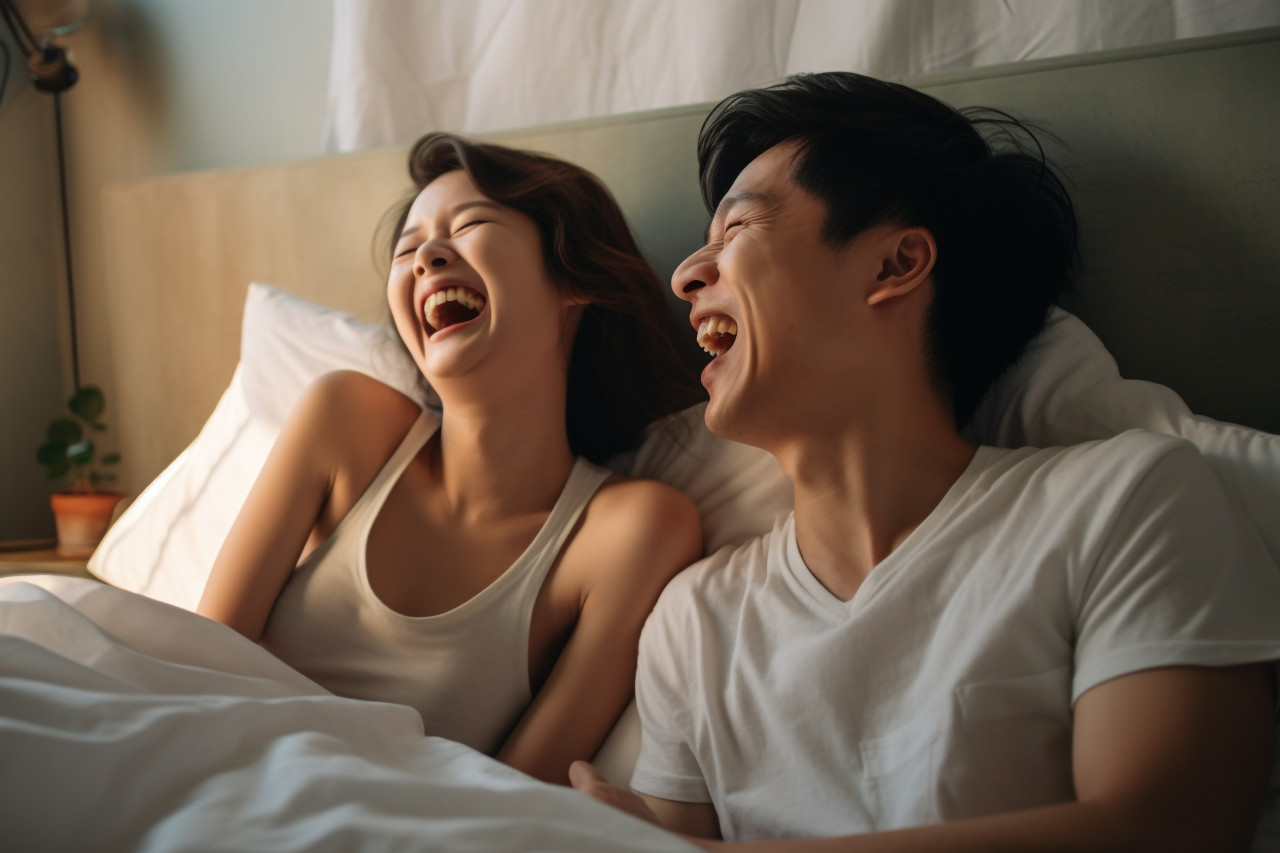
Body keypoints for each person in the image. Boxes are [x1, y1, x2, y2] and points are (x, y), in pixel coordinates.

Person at [569, 72, 1280, 850]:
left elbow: (1166, 828)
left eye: (737, 228)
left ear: (896, 264)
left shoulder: (1124, 502)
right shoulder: (694, 621)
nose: (685, 274)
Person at [197, 133, 706, 785]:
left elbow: (521, 797)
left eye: (470, 226)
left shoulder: (633, 530)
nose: (427, 257)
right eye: (408, 249)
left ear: (573, 277)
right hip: (219, 775)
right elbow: (195, 669)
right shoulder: (346, 421)